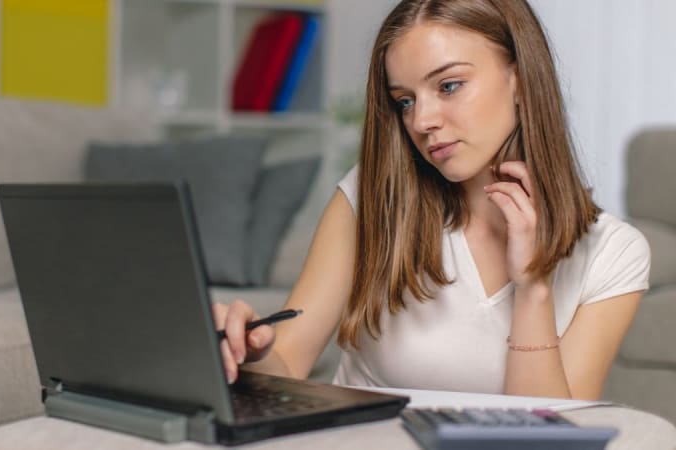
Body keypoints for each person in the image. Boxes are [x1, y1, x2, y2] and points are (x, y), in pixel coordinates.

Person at [214, 0, 650, 400]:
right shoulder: (372, 199)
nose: (421, 120)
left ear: (519, 79)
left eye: (448, 86)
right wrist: (250, 351)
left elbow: (550, 436)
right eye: (404, 100)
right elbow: (286, 364)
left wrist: (533, 289)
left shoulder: (613, 254)